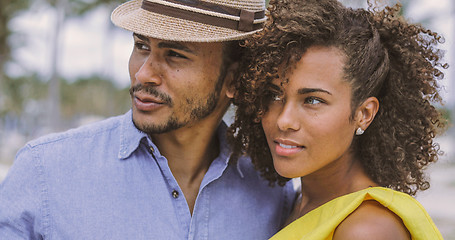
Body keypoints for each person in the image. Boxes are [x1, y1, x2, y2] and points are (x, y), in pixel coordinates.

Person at [0, 0, 296, 239]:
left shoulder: (272, 191)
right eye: (142, 46)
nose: (143, 74)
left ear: (234, 79)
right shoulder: (44, 172)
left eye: (175, 55)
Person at [228, 0, 447, 239]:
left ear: (364, 114)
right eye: (274, 95)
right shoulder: (301, 204)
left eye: (312, 100)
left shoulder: (366, 230)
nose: (284, 120)